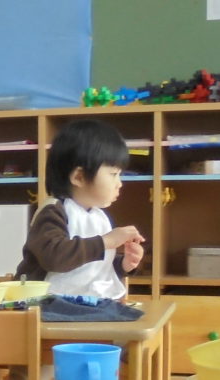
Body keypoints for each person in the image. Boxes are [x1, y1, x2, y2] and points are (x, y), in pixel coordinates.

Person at [15, 118, 144, 300]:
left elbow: (90, 270)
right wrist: (106, 241)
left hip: (82, 303)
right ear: (79, 177)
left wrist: (123, 265)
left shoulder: (98, 216)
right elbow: (55, 257)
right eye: (113, 174)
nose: (119, 184)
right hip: (46, 303)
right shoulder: (54, 211)